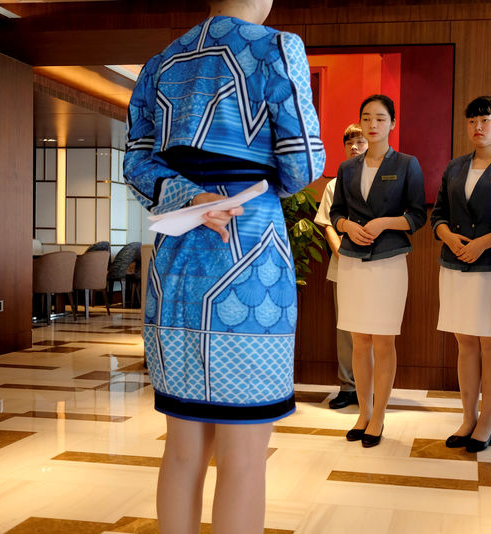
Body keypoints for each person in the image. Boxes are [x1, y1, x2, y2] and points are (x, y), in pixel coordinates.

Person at [123, 0, 325, 532]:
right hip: (250, 249)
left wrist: (190, 196)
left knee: (182, 447)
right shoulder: (278, 47)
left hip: (177, 257)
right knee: (243, 454)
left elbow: (136, 162)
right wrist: (245, 191)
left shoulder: (160, 61)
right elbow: (304, 159)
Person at [329, 94, 426, 447]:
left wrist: (384, 222)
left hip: (388, 261)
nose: (373, 125)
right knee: (359, 341)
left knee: (383, 341)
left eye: (380, 119)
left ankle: (379, 415)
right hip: (353, 261)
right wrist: (346, 227)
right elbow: (336, 212)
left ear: (392, 123)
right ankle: (363, 412)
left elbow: (417, 216)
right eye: (367, 118)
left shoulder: (406, 164)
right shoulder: (347, 168)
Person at [430, 96, 491, 452]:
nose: (478, 127)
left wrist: (483, 243)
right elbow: (438, 215)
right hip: (454, 265)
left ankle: (487, 420)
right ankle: (468, 416)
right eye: (472, 121)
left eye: (486, 120)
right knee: (465, 344)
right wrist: (446, 234)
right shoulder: (456, 166)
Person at [314, 124, 368, 409]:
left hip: (375, 265)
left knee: (372, 327)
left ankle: (370, 385)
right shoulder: (334, 184)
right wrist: (341, 252)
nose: (354, 147)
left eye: (360, 141)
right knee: (345, 329)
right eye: (350, 142)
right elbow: (326, 223)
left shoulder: (381, 179)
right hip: (342, 265)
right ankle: (348, 387)